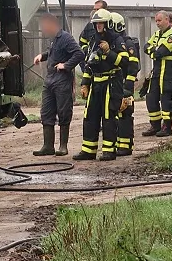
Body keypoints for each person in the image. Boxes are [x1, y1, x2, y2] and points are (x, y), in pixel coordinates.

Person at [73, 9, 130, 162]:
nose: (98, 26)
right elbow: (88, 64)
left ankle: (109, 151)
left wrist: (109, 52)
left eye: (101, 23)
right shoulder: (92, 40)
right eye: (96, 23)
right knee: (90, 116)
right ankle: (88, 150)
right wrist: (85, 84)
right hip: (95, 83)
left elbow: (124, 62)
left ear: (108, 24)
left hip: (111, 83)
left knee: (108, 117)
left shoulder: (117, 40)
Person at [32, 12, 85, 156]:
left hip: (62, 80)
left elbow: (79, 54)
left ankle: (63, 146)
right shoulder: (54, 40)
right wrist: (41, 56)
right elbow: (52, 53)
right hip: (50, 79)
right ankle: (48, 146)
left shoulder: (65, 38)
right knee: (46, 112)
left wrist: (66, 65)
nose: (43, 29)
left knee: (63, 111)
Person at [142, 10, 172, 137]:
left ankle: (167, 127)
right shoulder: (157, 34)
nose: (157, 23)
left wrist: (154, 51)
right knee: (151, 98)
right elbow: (145, 47)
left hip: (168, 71)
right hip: (156, 71)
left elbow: (160, 53)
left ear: (167, 20)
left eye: (159, 20)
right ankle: (155, 125)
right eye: (156, 20)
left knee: (165, 99)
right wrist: (154, 51)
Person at [110, 12, 141, 156]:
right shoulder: (115, 42)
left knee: (125, 115)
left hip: (124, 86)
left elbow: (134, 66)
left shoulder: (127, 43)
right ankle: (119, 144)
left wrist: (127, 88)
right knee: (116, 115)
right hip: (115, 85)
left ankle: (126, 146)